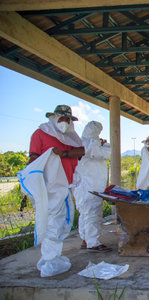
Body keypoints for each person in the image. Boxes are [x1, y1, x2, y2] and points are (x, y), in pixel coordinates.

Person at [18, 105, 85, 277]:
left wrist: (62, 153)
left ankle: (54, 257)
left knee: (63, 222)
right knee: (52, 224)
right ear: (54, 118)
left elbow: (81, 151)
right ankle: (49, 260)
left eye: (68, 120)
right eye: (62, 119)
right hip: (50, 187)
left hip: (66, 185)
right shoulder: (40, 134)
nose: (65, 122)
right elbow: (34, 160)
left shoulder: (71, 136)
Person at [73, 121, 112, 252]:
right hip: (91, 185)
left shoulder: (79, 143)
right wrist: (103, 144)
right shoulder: (91, 144)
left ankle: (85, 239)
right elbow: (103, 154)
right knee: (93, 213)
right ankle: (93, 242)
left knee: (85, 213)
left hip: (83, 185)